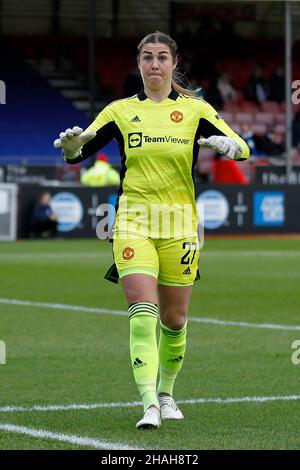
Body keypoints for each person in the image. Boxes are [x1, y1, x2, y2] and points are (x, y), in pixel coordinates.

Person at [54, 31, 250, 429]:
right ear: (138, 63)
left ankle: (166, 392)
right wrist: (72, 146)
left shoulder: (196, 110)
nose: (155, 64)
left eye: (162, 57)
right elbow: (79, 152)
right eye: (148, 57)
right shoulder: (119, 111)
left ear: (174, 63)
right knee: (142, 313)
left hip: (179, 223)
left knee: (174, 320)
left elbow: (242, 145)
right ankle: (148, 404)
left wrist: (231, 148)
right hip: (132, 221)